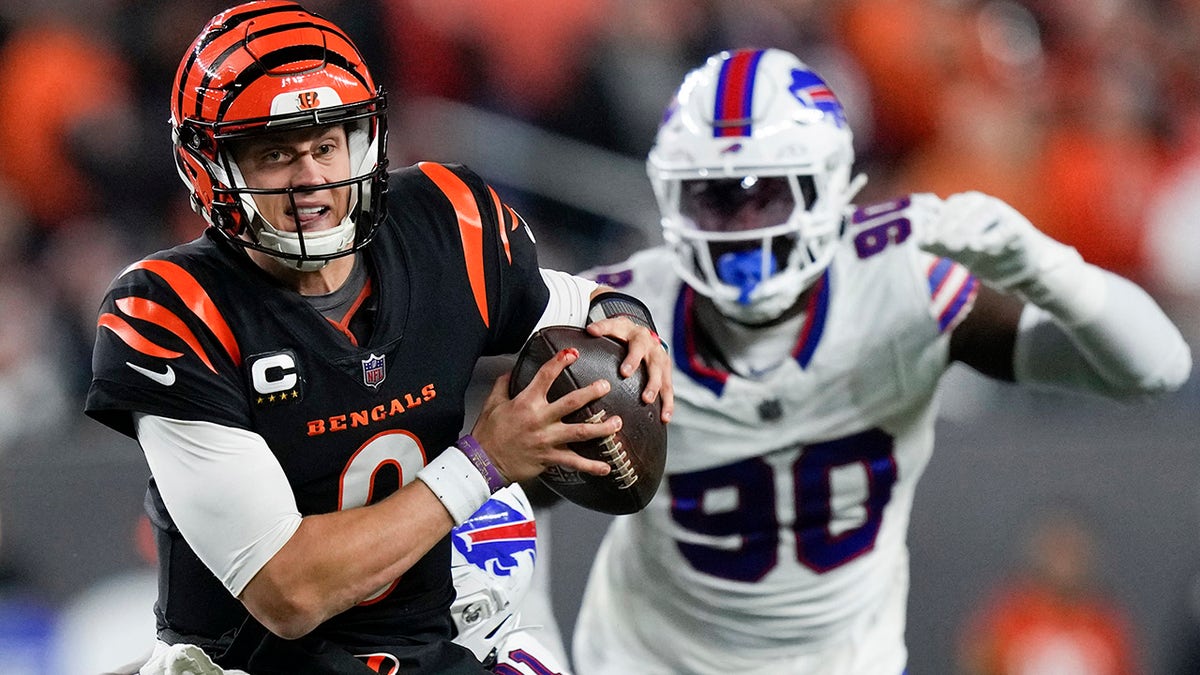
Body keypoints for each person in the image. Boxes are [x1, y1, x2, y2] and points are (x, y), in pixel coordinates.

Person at [83, 2, 673, 673]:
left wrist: (630, 324)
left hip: (434, 642)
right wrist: (485, 462)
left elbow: (583, 304)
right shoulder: (172, 310)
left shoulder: (447, 223)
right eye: (275, 152)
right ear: (209, 164)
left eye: (327, 144)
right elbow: (289, 591)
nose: (311, 179)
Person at [570, 47, 1191, 675]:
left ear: (829, 186)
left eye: (769, 197)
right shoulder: (620, 315)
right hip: (647, 659)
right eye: (717, 199)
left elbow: (1155, 369)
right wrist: (530, 632)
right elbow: (518, 491)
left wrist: (1048, 267)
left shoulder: (901, 283)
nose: (743, 230)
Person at [958, 504, 1141, 675]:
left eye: (1073, 549)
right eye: (1057, 548)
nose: (1064, 561)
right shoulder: (1008, 616)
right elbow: (977, 662)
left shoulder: (1106, 624)